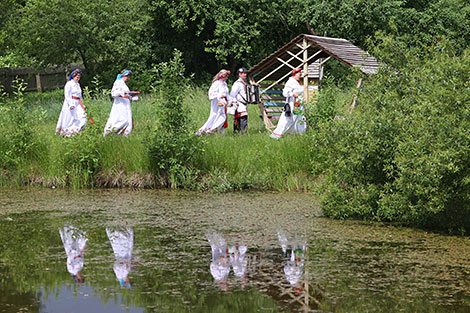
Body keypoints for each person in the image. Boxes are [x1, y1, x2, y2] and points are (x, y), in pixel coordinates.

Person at [270, 68, 307, 140]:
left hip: (298, 105)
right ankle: (277, 135)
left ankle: (300, 134)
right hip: (292, 105)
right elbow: (285, 93)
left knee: (300, 119)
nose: (300, 76)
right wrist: (292, 94)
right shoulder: (290, 82)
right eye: (299, 74)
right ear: (295, 74)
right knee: (288, 120)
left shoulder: (297, 82)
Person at [196, 70, 231, 135]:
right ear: (222, 76)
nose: (227, 78)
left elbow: (227, 94)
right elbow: (212, 93)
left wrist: (231, 101)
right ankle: (210, 129)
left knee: (222, 116)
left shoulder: (225, 84)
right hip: (217, 102)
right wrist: (219, 96)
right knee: (218, 116)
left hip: (223, 103)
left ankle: (219, 133)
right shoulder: (216, 83)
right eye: (226, 76)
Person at [55, 69, 87, 136]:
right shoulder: (69, 84)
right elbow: (67, 95)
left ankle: (76, 131)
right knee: (70, 118)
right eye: (77, 77)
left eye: (79, 77)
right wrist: (71, 104)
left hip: (78, 103)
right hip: (71, 103)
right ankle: (67, 133)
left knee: (82, 116)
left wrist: (82, 104)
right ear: (73, 76)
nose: (78, 79)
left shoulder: (78, 84)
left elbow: (79, 95)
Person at [104, 69, 134, 136]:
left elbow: (127, 94)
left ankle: (123, 135)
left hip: (126, 104)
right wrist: (123, 93)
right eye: (127, 76)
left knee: (128, 120)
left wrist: (131, 96)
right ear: (124, 75)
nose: (128, 78)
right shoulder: (118, 82)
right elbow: (113, 93)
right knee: (121, 120)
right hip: (120, 104)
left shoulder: (124, 84)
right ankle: (109, 132)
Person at [229, 67, 249, 134]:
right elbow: (232, 94)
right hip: (239, 104)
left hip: (244, 104)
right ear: (239, 74)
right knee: (242, 118)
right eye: (243, 73)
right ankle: (241, 133)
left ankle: (240, 133)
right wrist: (234, 103)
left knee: (242, 119)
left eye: (245, 73)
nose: (245, 75)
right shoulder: (237, 83)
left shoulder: (244, 83)